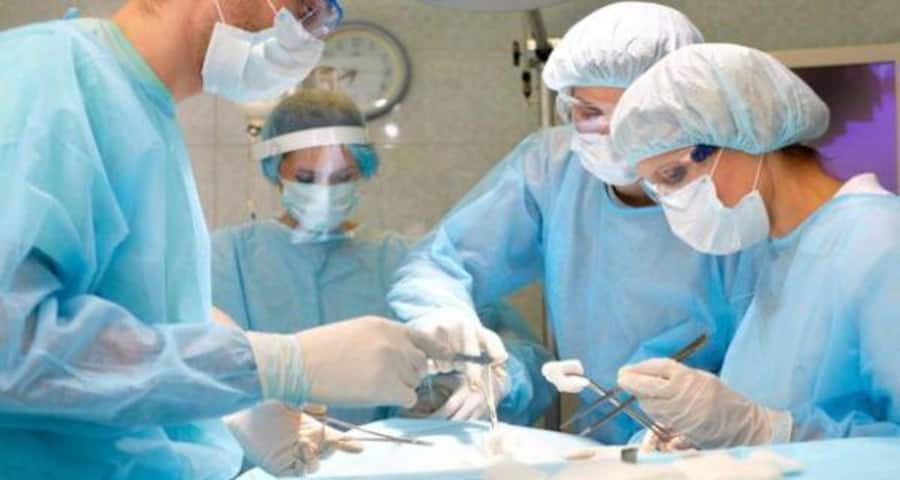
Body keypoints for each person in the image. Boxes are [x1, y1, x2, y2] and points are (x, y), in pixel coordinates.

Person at [0, 1, 454, 478]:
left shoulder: (142, 113)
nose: (307, 34)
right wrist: (273, 366)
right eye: (302, 8)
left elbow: (147, 314)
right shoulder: (49, 80)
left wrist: (236, 401)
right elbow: (11, 345)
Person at [387, 2, 757, 444]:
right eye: (588, 112)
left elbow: (774, 351)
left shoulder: (726, 188)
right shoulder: (552, 168)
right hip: (596, 446)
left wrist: (721, 422)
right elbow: (439, 262)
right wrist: (443, 313)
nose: (608, 133)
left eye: (632, 114)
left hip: (711, 444)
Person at [611, 43, 900, 451]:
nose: (673, 203)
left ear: (745, 132)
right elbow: (771, 401)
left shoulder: (880, 241)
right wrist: (708, 438)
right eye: (656, 189)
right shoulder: (774, 252)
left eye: (673, 175)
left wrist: (769, 432)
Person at [212, 88, 554, 427]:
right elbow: (201, 365)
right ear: (276, 170)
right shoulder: (229, 258)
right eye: (306, 178)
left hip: (383, 454)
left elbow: (530, 361)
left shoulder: (409, 263)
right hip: (259, 456)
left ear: (361, 171)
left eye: (342, 178)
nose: (324, 193)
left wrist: (499, 377)